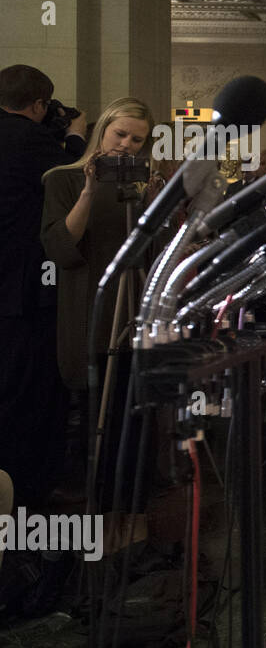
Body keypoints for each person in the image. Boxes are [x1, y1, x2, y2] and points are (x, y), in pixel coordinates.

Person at [40, 98, 155, 543]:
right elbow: (60, 247)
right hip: (91, 312)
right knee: (97, 422)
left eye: (136, 140)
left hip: (137, 315)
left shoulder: (144, 183)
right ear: (102, 131)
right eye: (119, 134)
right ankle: (103, 519)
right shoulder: (62, 179)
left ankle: (137, 514)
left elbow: (157, 250)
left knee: (139, 420)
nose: (125, 145)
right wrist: (89, 190)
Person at [0, 65, 87, 508]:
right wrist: (74, 135)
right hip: (23, 291)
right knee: (28, 391)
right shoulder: (30, 139)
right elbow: (70, 173)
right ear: (37, 105)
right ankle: (26, 485)